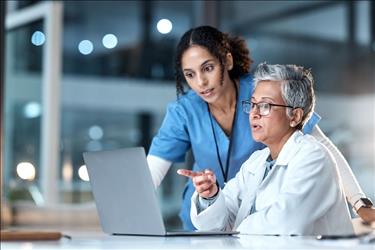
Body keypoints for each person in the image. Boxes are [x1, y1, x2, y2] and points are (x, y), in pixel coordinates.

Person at [147, 26, 374, 230]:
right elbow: (150, 175)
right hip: (218, 215)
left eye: (208, 68)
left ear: (226, 61)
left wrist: (359, 201)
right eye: (190, 75)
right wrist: (210, 196)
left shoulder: (262, 91)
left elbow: (323, 148)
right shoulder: (185, 111)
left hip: (258, 222)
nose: (201, 83)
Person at [178, 63, 354, 235]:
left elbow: (285, 223)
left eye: (265, 106)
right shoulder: (257, 161)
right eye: (253, 104)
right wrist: (211, 196)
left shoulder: (313, 156)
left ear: (294, 116)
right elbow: (218, 224)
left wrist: (235, 229)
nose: (254, 113)